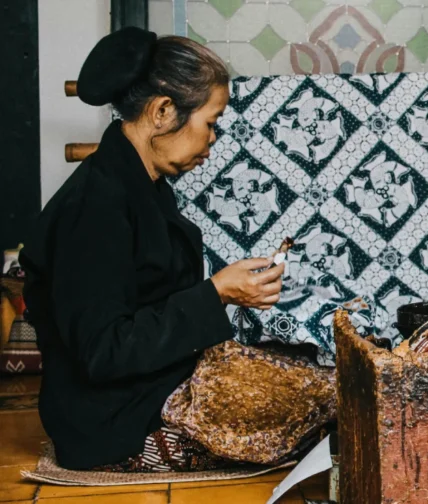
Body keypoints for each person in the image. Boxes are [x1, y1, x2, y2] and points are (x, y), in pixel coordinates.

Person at [21, 27, 286, 471]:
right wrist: (216, 292)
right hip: (113, 420)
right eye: (211, 123)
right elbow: (103, 351)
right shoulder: (95, 205)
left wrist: (222, 293)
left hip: (149, 388)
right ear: (163, 111)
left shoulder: (142, 184)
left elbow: (150, 303)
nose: (213, 140)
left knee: (315, 379)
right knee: (314, 411)